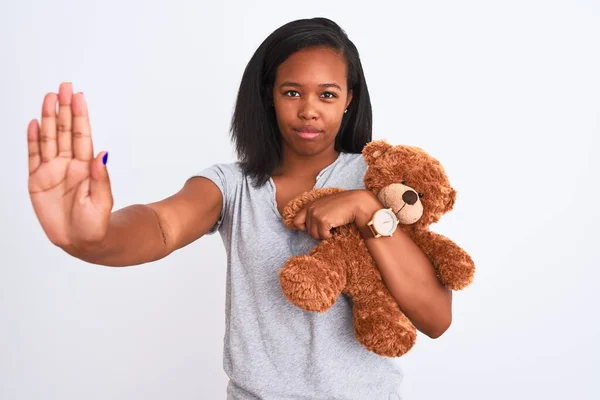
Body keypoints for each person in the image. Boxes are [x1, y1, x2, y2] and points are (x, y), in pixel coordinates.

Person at [27, 17, 452, 400]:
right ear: (269, 95)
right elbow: (161, 224)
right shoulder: (233, 185)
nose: (308, 110)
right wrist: (90, 236)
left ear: (348, 99)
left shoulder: (381, 180)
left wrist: (364, 209)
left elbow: (436, 318)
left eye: (326, 94)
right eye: (292, 92)